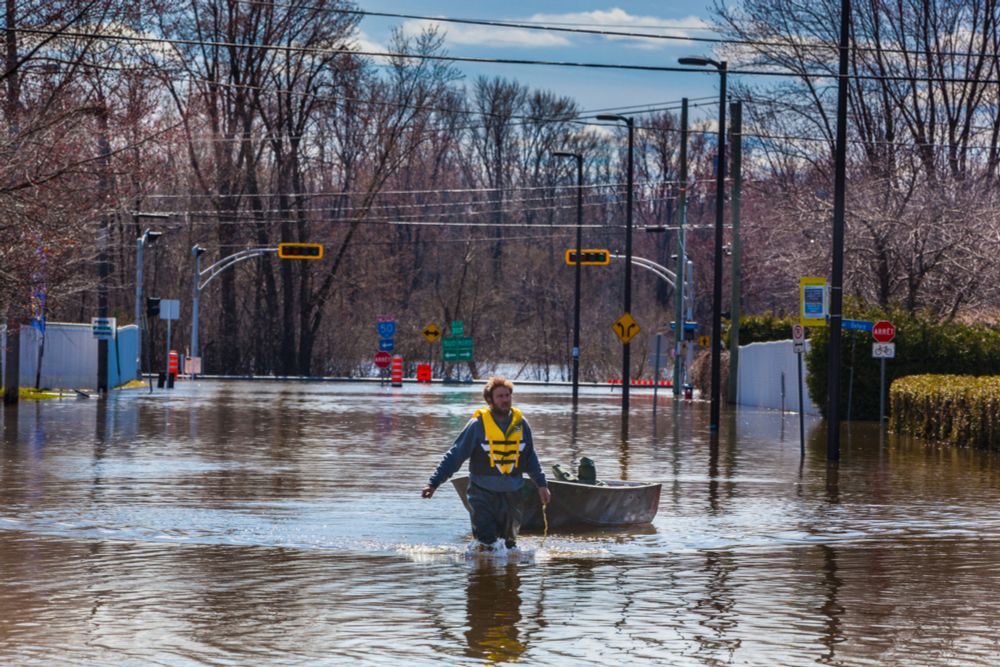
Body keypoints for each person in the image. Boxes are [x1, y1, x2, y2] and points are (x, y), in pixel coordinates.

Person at [422, 376, 551, 551]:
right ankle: (483, 575)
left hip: (513, 492)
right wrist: (434, 483)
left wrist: (541, 485)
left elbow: (530, 457)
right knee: (486, 544)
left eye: (507, 395)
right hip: (482, 493)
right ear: (490, 400)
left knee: (509, 546)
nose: (505, 400)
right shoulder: (477, 425)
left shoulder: (521, 424)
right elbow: (455, 455)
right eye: (500, 396)